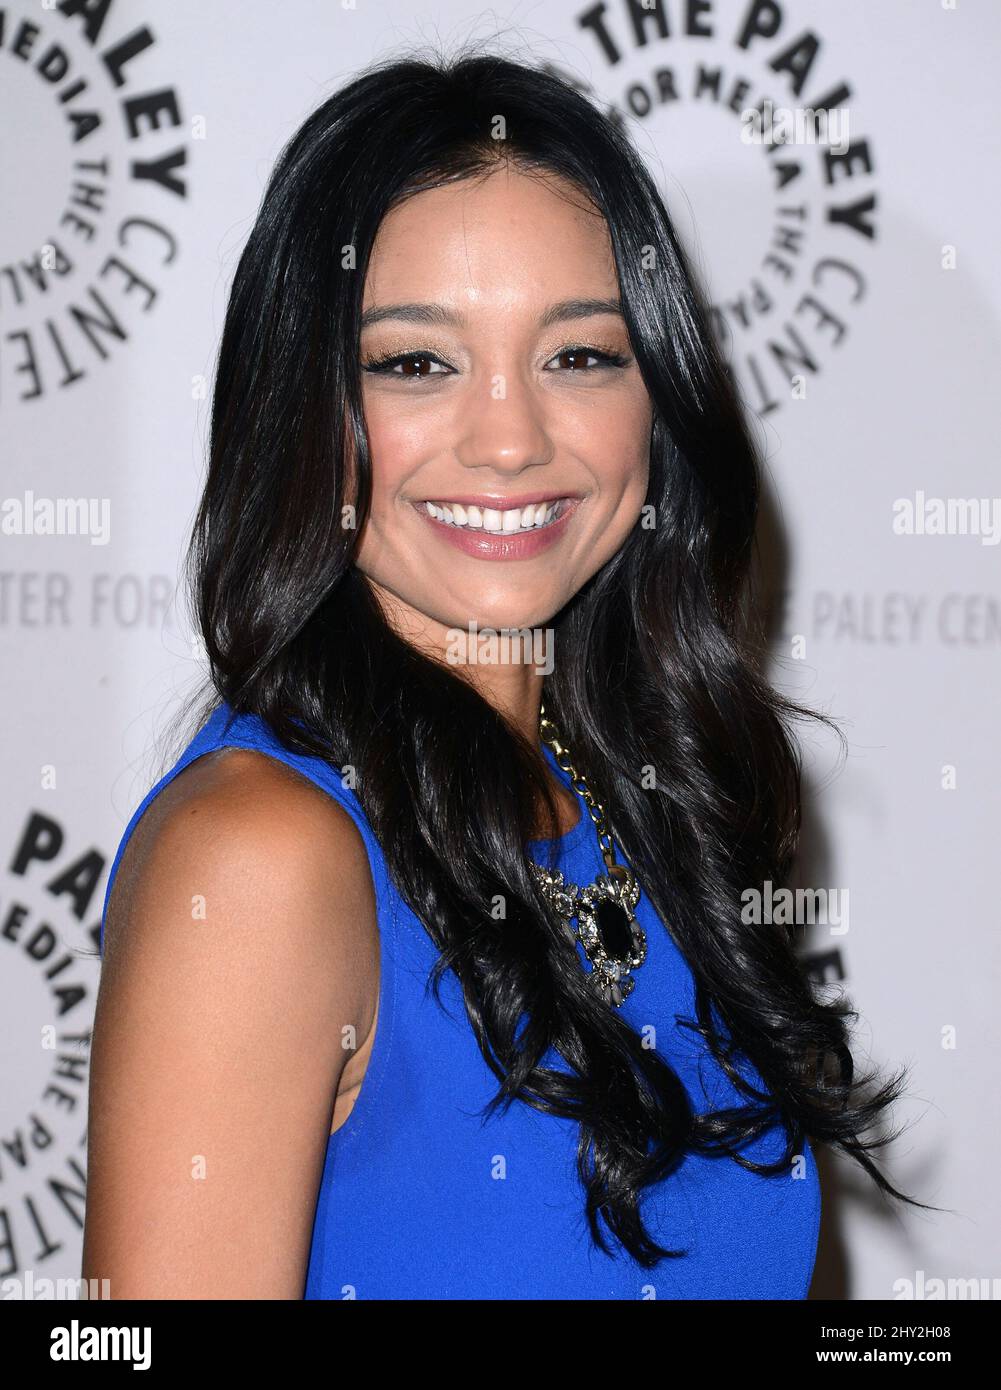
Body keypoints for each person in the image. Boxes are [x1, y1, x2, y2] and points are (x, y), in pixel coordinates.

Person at [82, 47, 922, 1300]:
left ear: (659, 396)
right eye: (415, 362)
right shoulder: (260, 854)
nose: (511, 437)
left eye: (579, 355)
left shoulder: (654, 803)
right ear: (304, 406)